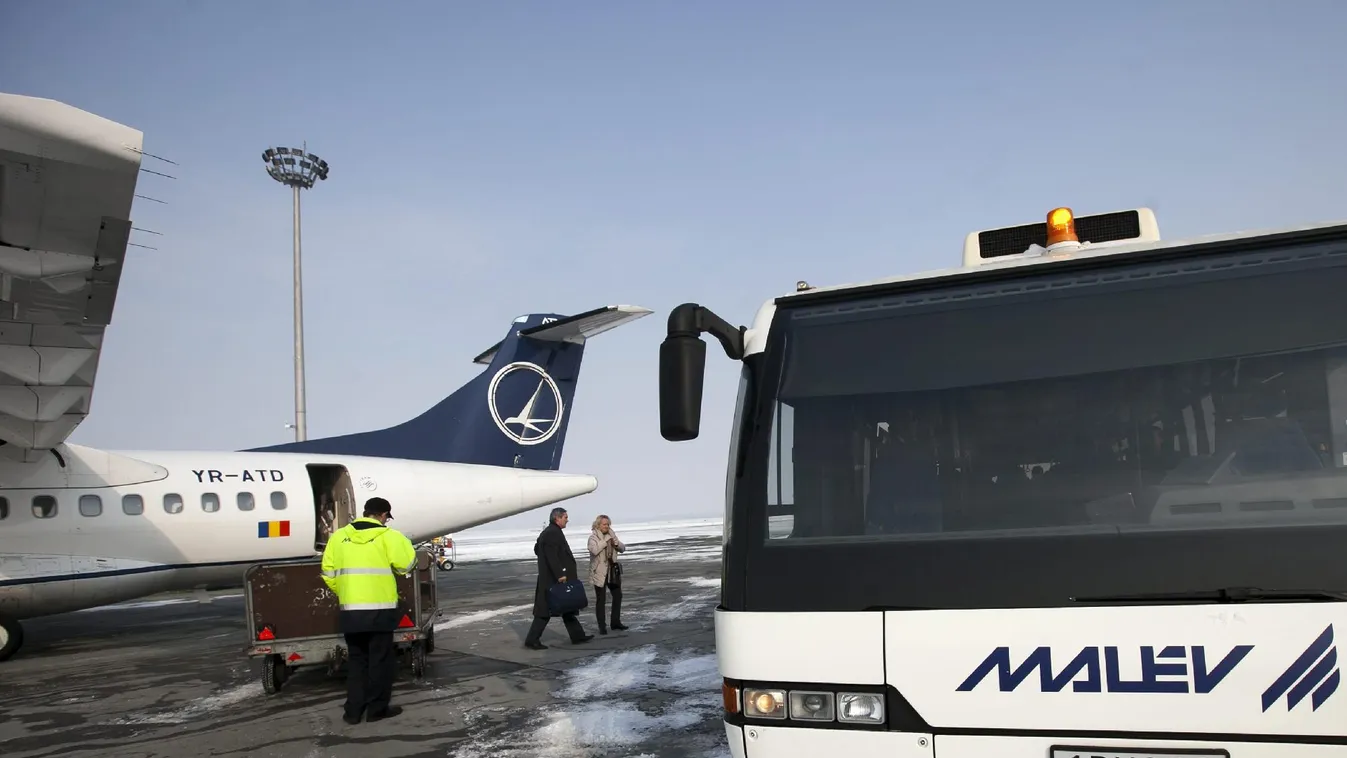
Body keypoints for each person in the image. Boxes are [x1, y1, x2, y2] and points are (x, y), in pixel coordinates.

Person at [320, 496, 418, 725]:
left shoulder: (339, 537)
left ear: (365, 512)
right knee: (380, 662)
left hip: (351, 611)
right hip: (380, 611)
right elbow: (406, 565)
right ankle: (376, 710)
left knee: (357, 662)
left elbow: (328, 573)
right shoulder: (389, 536)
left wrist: (346, 592)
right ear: (384, 515)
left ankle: (353, 712)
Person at [523, 507, 594, 649]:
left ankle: (577, 636)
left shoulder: (550, 532)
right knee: (544, 612)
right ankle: (532, 640)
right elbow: (551, 556)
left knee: (567, 607)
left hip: (552, 578)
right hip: (552, 579)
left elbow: (538, 550)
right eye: (565, 517)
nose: (567, 520)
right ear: (557, 518)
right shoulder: (551, 533)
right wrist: (560, 574)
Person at [587, 514, 628, 634]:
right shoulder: (593, 538)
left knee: (618, 596)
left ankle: (615, 622)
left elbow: (623, 548)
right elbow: (594, 550)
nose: (607, 526)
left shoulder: (612, 535)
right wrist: (605, 541)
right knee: (601, 599)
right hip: (599, 572)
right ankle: (602, 626)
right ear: (598, 525)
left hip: (612, 571)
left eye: (608, 524)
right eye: (604, 524)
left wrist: (617, 544)